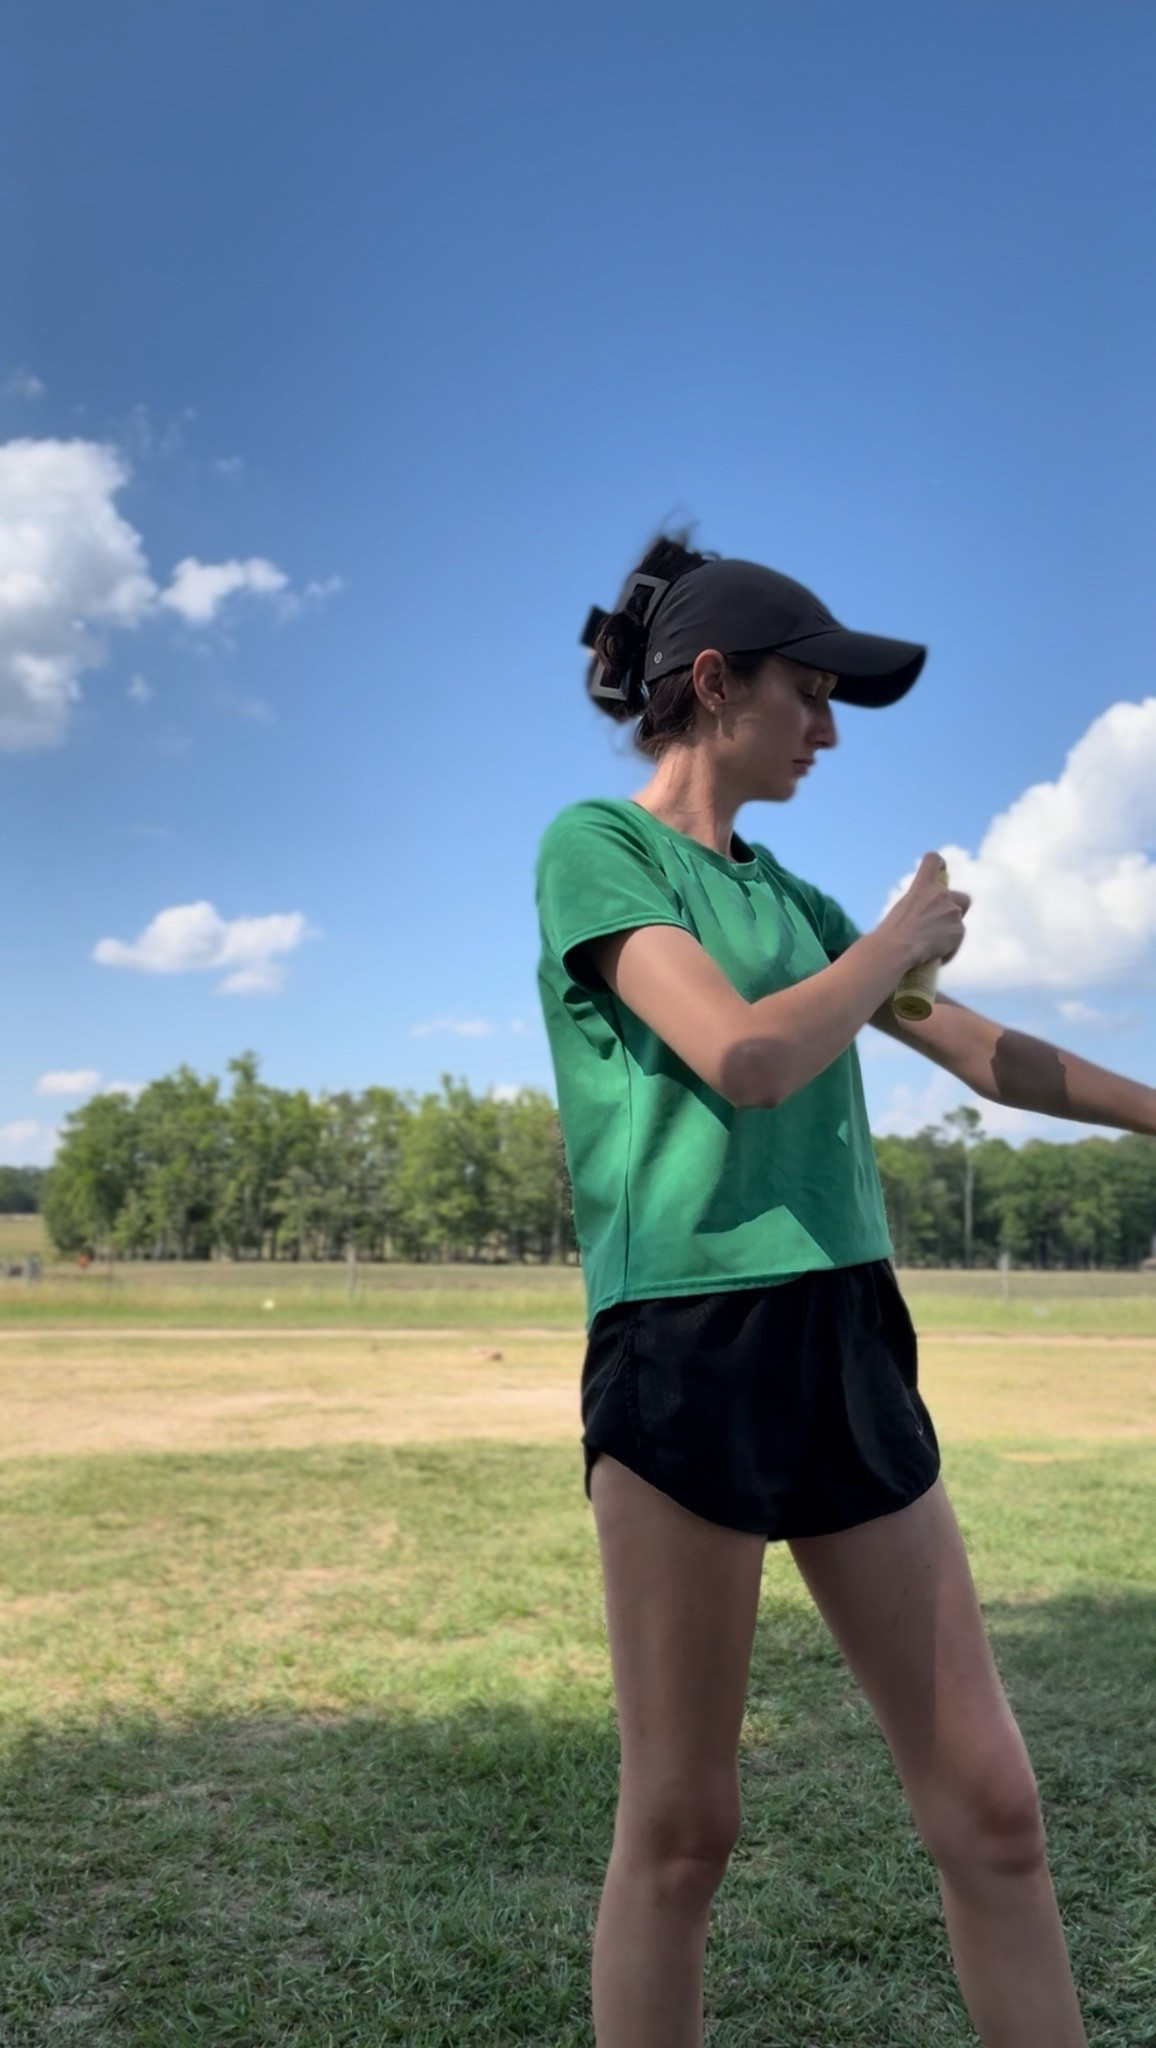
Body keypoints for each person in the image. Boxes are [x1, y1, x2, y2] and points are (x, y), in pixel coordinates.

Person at [533, 532, 1095, 2047]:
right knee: (685, 1827)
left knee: (992, 1804)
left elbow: (984, 1054)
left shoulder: (793, 897)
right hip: (687, 1342)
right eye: (813, 695)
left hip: (846, 1334)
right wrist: (898, 941)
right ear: (713, 685)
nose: (831, 731)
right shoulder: (601, 848)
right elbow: (751, 1056)